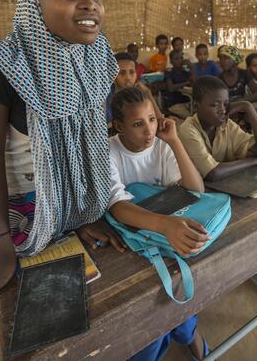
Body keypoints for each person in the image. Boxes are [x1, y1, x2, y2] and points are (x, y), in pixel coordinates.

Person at [0, 0, 125, 360]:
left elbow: (86, 147)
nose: (89, 4)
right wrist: (3, 245)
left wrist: (83, 214)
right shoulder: (3, 64)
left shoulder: (95, 58)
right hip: (10, 209)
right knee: (5, 317)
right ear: (33, 0)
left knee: (61, 315)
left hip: (68, 206)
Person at [107, 87, 210, 360]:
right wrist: (164, 225)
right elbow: (118, 207)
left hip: (166, 238)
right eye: (138, 124)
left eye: (152, 119)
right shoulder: (109, 152)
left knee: (178, 290)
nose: (149, 131)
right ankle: (181, 337)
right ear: (119, 126)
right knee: (150, 314)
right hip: (132, 242)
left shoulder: (161, 146)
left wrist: (174, 141)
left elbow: (195, 188)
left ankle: (188, 335)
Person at [178, 76, 257, 181]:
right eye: (215, 105)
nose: (222, 110)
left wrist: (248, 107)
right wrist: (255, 161)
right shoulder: (188, 130)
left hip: (223, 187)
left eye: (226, 104)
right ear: (196, 106)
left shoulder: (226, 125)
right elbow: (212, 173)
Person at [106, 52, 161, 126]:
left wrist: (148, 93)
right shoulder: (107, 93)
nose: (128, 78)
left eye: (132, 72)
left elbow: (159, 120)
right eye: (121, 73)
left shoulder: (137, 92)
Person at [164, 50, 191, 118]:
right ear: (171, 62)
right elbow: (171, 88)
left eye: (181, 58)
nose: (180, 61)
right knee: (190, 117)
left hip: (188, 101)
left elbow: (194, 82)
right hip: (175, 104)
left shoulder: (185, 71)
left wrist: (191, 66)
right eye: (176, 59)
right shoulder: (169, 72)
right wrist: (186, 82)